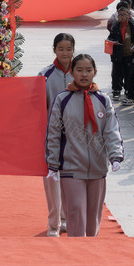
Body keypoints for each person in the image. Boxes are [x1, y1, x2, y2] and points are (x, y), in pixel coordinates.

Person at [45, 54, 124, 238]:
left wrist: (115, 156)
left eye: (88, 70)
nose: (84, 74)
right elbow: (54, 133)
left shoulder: (103, 100)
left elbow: (111, 130)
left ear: (95, 72)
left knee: (93, 219)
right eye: (79, 70)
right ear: (72, 72)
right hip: (71, 168)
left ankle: (91, 256)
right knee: (76, 213)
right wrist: (52, 163)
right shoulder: (62, 99)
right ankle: (76, 254)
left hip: (97, 168)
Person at [39, 33, 75, 237]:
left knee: (71, 179)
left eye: (68, 49)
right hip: (52, 137)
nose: (65, 53)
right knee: (52, 179)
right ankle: (53, 223)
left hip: (76, 137)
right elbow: (37, 106)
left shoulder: (80, 72)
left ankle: (66, 218)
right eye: (60, 49)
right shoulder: (45, 75)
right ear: (54, 50)